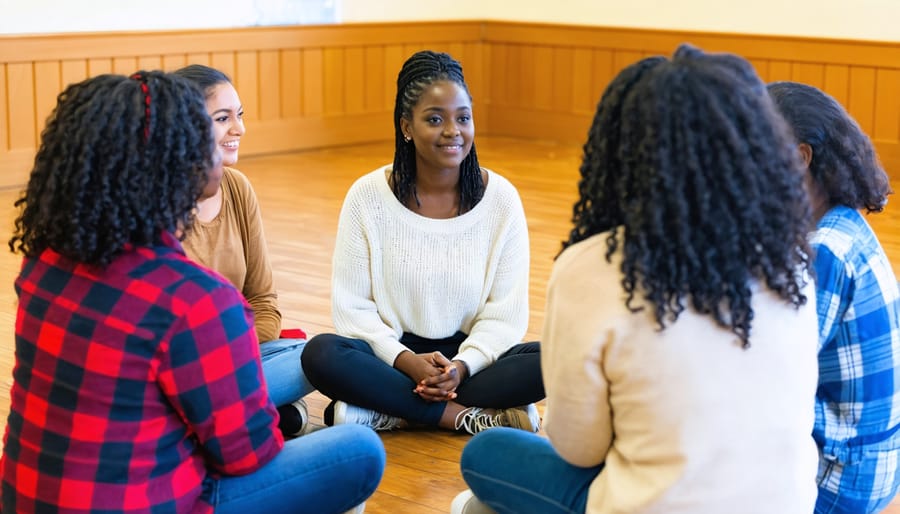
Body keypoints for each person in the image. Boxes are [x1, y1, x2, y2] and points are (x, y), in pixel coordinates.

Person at [452, 45, 821, 514]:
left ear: (622, 151)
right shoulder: (791, 258)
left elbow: (577, 449)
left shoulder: (592, 266)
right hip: (787, 503)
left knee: (487, 458)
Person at [0, 70, 385, 514]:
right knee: (358, 448)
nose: (227, 140)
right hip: (148, 501)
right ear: (174, 159)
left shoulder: (43, 264)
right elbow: (246, 457)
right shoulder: (194, 299)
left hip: (25, 499)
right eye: (209, 130)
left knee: (299, 358)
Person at [301, 50, 544, 434]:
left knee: (558, 358)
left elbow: (505, 314)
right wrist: (406, 361)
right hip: (393, 357)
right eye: (435, 119)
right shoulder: (367, 197)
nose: (453, 131)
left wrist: (462, 366)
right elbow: (352, 309)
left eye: (463, 118)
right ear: (406, 127)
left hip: (469, 363)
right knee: (321, 354)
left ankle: (390, 411)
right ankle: (464, 418)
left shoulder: (502, 199)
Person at [768, 81, 900, 514]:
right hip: (870, 462)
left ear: (801, 158)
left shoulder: (825, 251)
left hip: (841, 480)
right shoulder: (843, 225)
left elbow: (775, 375)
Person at [173, 64, 312, 438]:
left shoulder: (237, 187)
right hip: (187, 372)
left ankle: (245, 413)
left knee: (318, 355)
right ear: (184, 126)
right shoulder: (155, 205)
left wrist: (235, 352)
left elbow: (264, 303)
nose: (240, 129)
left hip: (240, 354)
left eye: (240, 115)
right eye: (223, 118)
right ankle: (256, 414)